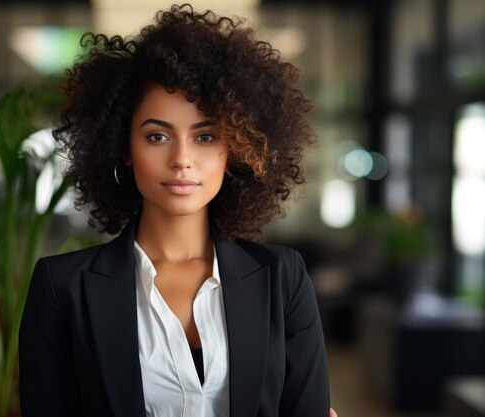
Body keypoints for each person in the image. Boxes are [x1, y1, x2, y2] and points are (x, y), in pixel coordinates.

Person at [19, 4, 334, 416]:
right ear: (123, 148)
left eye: (205, 137)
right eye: (156, 136)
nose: (182, 159)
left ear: (235, 149)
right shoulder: (63, 288)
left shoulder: (282, 280)